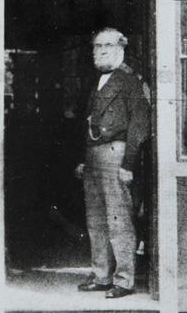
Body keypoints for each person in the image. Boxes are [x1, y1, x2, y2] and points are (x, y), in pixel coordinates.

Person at [74, 28, 151, 299]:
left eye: (108, 45)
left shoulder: (130, 82)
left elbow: (139, 127)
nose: (102, 50)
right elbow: (87, 124)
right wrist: (83, 159)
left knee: (119, 220)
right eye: (97, 46)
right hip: (94, 155)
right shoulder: (96, 81)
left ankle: (125, 280)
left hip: (116, 155)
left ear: (121, 48)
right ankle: (102, 275)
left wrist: (128, 165)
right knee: (96, 220)